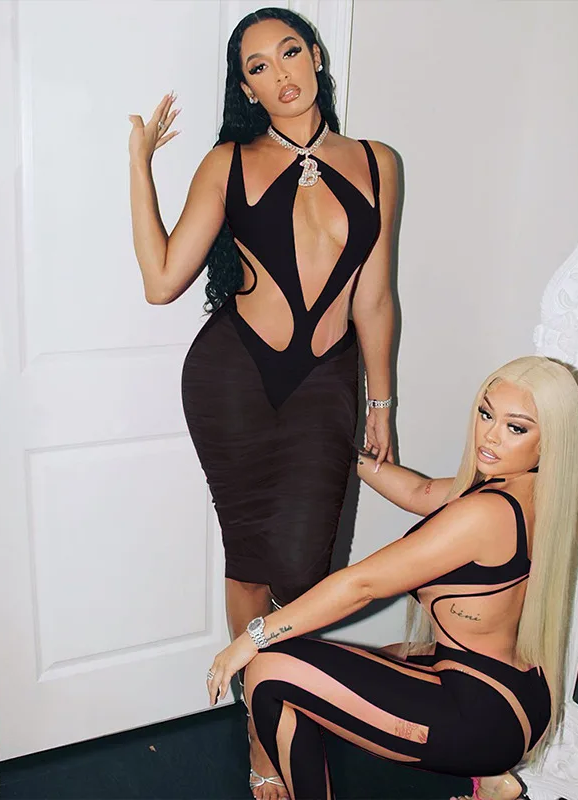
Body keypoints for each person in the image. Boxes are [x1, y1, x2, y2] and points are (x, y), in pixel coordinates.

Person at [128, 8, 397, 797]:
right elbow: (161, 281)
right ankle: (261, 726)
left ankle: (288, 698)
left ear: (316, 56)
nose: (280, 75)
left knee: (307, 573)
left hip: (326, 385)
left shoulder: (378, 162)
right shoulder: (229, 163)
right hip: (234, 381)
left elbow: (375, 296)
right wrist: (139, 164)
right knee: (249, 561)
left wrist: (381, 400)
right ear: (244, 87)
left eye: (289, 53)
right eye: (257, 67)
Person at [207, 356, 578, 800]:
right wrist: (337, 448)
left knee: (269, 669)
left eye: (515, 427)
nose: (490, 435)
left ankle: (483, 766)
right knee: (346, 668)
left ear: (551, 439)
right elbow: (417, 492)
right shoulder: (532, 489)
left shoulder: (484, 513)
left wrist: (252, 637)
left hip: (480, 720)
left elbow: (363, 585)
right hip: (519, 695)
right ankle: (494, 783)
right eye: (487, 414)